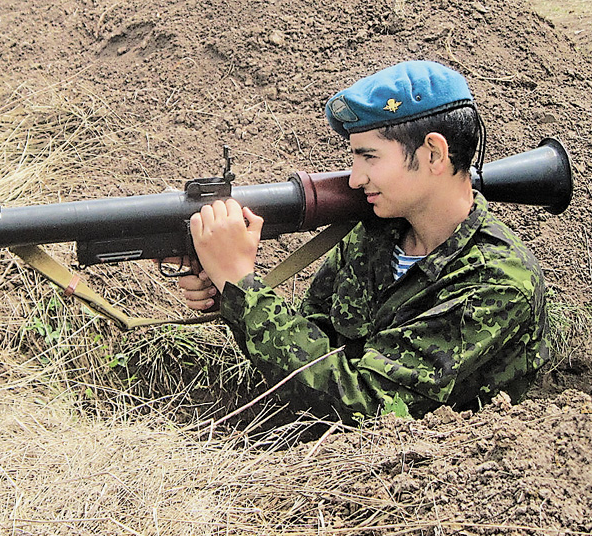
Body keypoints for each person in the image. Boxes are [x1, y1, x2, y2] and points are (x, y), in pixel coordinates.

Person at [176, 60, 549, 421]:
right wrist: (229, 288)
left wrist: (242, 282)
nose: (355, 179)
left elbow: (366, 404)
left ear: (433, 153)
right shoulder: (375, 236)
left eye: (369, 157)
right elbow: (310, 349)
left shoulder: (499, 281)